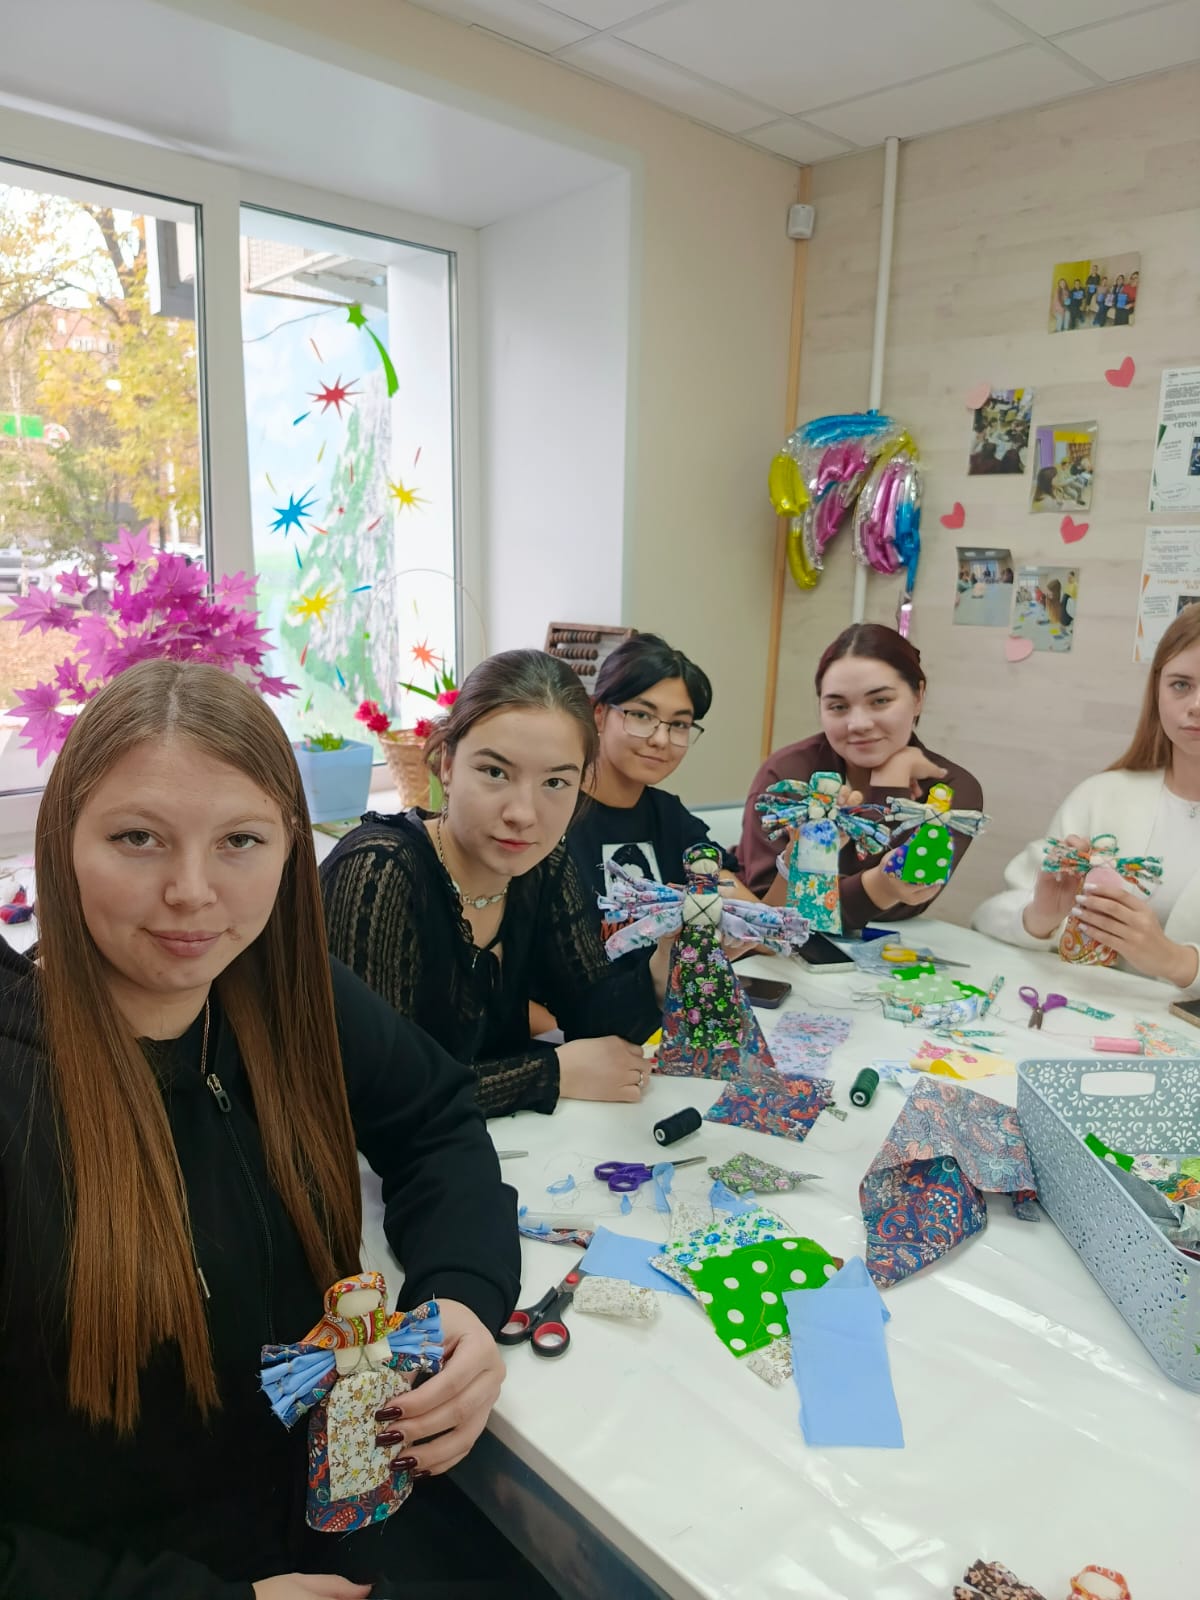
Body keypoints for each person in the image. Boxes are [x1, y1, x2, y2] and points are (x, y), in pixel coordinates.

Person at [0, 659, 531, 1596]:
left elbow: (436, 1121)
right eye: (137, 838)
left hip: (342, 1515)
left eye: (240, 840)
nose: (191, 891)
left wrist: (460, 1298)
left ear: (289, 848)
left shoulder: (287, 995)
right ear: (61, 842)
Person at [322, 650, 666, 1118]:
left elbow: (594, 1020)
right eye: (495, 772)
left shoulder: (543, 864)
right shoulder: (378, 870)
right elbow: (370, 1092)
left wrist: (662, 971)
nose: (523, 814)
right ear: (447, 764)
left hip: (496, 1147)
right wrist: (548, 1073)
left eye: (555, 783)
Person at [974, 606, 1200, 993]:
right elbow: (992, 915)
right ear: (1157, 690)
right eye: (1181, 685)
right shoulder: (1103, 795)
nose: (1195, 705)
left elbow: (1175, 963)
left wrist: (1179, 963)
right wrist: (1040, 918)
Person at [738, 624, 984, 928]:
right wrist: (879, 886)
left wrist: (890, 781)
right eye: (838, 706)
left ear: (918, 696)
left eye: (880, 701)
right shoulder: (788, 774)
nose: (858, 724)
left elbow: (907, 898)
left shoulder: (950, 788)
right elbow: (765, 902)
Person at [567, 633, 743, 902]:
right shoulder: (555, 813)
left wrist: (791, 861)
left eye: (679, 724)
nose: (661, 739)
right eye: (641, 715)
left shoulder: (670, 818)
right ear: (599, 715)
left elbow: (758, 917)